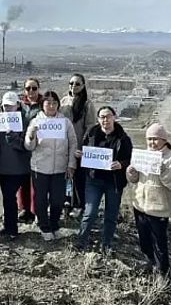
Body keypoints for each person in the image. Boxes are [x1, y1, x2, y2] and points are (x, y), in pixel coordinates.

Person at [127, 123, 171, 277]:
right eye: (149, 139)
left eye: (155, 139)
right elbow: (135, 180)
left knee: (159, 244)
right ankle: (150, 265)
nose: (152, 143)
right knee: (144, 241)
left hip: (159, 208)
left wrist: (164, 170)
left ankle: (163, 274)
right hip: (141, 205)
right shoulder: (144, 156)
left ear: (164, 140)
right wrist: (131, 173)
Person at [75, 106, 133, 252]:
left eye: (108, 116)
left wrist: (121, 164)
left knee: (111, 215)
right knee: (90, 212)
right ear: (98, 119)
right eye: (101, 117)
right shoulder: (91, 133)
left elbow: (131, 159)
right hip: (94, 179)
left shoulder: (123, 138)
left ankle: (106, 244)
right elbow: (83, 150)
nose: (105, 120)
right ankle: (81, 242)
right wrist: (80, 155)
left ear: (114, 117)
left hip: (114, 182)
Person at [24, 91, 77, 241]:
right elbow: (29, 146)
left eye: (54, 103)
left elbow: (73, 143)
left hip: (60, 167)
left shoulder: (65, 122)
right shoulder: (36, 121)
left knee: (57, 199)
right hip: (40, 167)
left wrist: (71, 164)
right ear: (43, 105)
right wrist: (31, 136)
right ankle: (44, 226)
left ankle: (54, 224)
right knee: (40, 199)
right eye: (48, 103)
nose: (51, 106)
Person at [0, 91, 32, 241]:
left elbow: (27, 146)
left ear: (18, 105)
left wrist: (13, 138)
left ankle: (12, 229)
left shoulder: (26, 122)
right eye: (5, 106)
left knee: (10, 197)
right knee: (7, 198)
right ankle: (9, 227)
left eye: (11, 105)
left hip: (20, 168)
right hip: (3, 168)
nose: (8, 108)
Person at [60, 73, 98, 218]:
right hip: (63, 146)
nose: (73, 86)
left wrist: (81, 147)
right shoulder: (63, 101)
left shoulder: (87, 104)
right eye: (71, 83)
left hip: (79, 148)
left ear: (83, 86)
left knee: (79, 178)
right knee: (66, 177)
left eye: (77, 84)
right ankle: (66, 202)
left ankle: (79, 205)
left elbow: (90, 127)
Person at [17, 78, 42, 223]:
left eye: (34, 88)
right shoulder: (20, 105)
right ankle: (24, 208)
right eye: (28, 88)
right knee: (23, 179)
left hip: (38, 147)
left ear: (38, 89)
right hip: (21, 147)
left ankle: (34, 210)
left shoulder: (43, 105)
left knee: (36, 181)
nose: (31, 91)